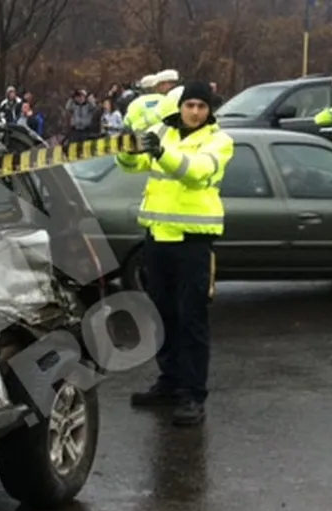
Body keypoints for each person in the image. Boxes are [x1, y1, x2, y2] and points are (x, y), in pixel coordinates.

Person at [117, 81, 234, 426]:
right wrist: (127, 145)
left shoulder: (219, 141)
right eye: (190, 105)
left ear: (210, 110)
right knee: (163, 315)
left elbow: (196, 174)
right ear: (180, 107)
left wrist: (160, 153)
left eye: (201, 106)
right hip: (157, 239)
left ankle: (192, 395)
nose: (195, 112)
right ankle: (169, 382)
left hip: (193, 242)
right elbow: (130, 165)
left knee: (191, 319)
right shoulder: (162, 132)